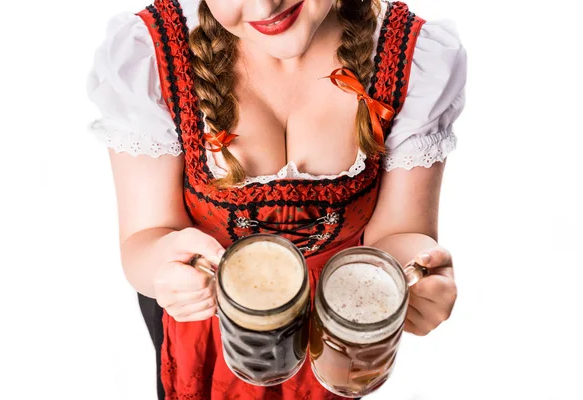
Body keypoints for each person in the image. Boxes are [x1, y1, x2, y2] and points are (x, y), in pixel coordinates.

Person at [87, 0, 466, 398]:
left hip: (337, 319)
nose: (265, 6)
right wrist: (165, 262)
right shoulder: (152, 54)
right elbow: (144, 238)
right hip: (206, 323)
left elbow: (398, 232)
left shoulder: (411, 56)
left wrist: (416, 269)